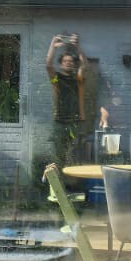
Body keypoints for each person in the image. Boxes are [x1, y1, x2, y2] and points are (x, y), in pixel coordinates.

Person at [46, 33, 85, 167]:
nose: (68, 63)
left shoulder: (78, 79)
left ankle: (72, 178)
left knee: (74, 154)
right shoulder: (56, 79)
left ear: (73, 64)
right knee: (59, 154)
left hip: (75, 122)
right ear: (61, 64)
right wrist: (53, 45)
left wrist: (78, 46)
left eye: (71, 61)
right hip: (60, 121)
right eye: (65, 61)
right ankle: (59, 177)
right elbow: (48, 65)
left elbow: (84, 66)